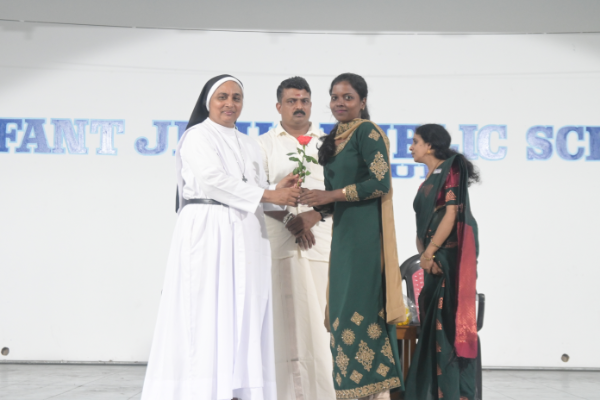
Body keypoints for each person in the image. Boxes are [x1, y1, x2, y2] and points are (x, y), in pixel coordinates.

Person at [141, 74, 301, 400]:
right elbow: (212, 181)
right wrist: (268, 193)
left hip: (246, 232)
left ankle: (237, 389)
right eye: (222, 97)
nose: (230, 103)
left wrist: (276, 191)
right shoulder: (196, 136)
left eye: (236, 98)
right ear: (208, 102)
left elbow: (253, 189)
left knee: (244, 309)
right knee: (205, 309)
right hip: (207, 228)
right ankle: (199, 390)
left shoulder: (249, 143)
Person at [299, 73, 405, 400]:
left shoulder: (367, 132)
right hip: (344, 238)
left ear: (362, 101)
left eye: (348, 97)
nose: (340, 103)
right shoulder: (334, 138)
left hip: (366, 240)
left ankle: (375, 392)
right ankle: (352, 391)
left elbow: (379, 183)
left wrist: (329, 196)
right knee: (341, 316)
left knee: (361, 311)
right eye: (335, 97)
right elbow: (336, 196)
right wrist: (315, 208)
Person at [257, 76, 336, 400]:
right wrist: (290, 219)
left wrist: (314, 215)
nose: (299, 106)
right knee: (283, 328)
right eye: (292, 101)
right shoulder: (263, 145)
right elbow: (256, 193)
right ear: (279, 106)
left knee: (322, 326)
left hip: (321, 244)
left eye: (304, 101)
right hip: (280, 245)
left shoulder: (329, 144)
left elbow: (341, 191)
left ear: (312, 105)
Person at [404, 124, 480, 400]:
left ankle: (454, 393)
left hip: (448, 261)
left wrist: (430, 254)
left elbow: (451, 215)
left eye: (415, 142)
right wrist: (425, 255)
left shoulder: (451, 168)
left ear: (430, 145)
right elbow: (422, 225)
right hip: (433, 261)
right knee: (431, 327)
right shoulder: (428, 179)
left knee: (448, 328)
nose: (411, 147)